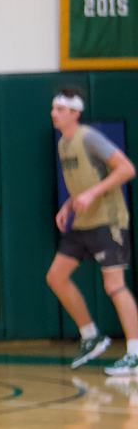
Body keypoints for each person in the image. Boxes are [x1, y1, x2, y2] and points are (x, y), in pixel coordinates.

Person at [47, 87, 138, 376]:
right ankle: (91, 335)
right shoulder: (63, 143)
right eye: (53, 108)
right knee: (56, 277)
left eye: (59, 109)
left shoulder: (90, 138)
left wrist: (92, 194)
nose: (53, 114)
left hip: (108, 220)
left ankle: (134, 353)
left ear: (75, 113)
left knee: (114, 285)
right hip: (82, 223)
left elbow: (126, 169)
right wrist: (69, 203)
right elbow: (84, 180)